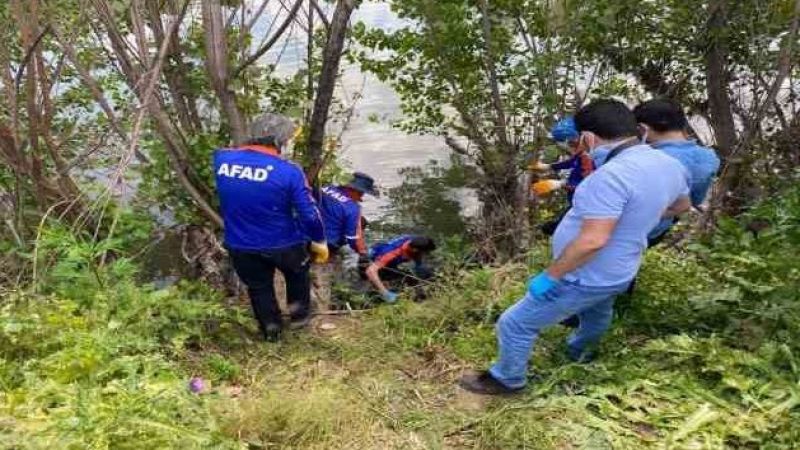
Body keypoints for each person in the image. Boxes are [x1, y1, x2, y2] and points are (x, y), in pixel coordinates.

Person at [458, 100, 691, 395]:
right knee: (597, 312)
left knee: (515, 323)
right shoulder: (669, 164)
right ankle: (580, 352)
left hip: (585, 274)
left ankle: (507, 379)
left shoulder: (609, 177)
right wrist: (638, 215)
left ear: (588, 138)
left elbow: (592, 241)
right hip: (620, 271)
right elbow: (683, 204)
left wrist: (551, 276)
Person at [214, 114, 328, 342]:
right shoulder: (289, 171)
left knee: (259, 288)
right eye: (287, 139)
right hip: (283, 243)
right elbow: (309, 213)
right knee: (297, 276)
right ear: (279, 142)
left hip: (240, 245)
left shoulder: (221, 160)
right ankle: (299, 321)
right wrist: (319, 240)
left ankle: (271, 332)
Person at [634, 98, 721, 246]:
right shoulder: (710, 158)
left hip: (636, 229)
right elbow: (696, 199)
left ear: (642, 129)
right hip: (661, 228)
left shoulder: (649, 159)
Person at [313, 173, 378, 308]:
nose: (361, 197)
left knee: (312, 269)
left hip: (306, 236)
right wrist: (362, 254)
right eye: (361, 193)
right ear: (353, 189)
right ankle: (323, 307)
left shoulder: (326, 189)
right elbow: (352, 239)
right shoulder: (351, 208)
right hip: (326, 246)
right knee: (323, 275)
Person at [530, 116, 594, 235]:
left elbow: (588, 184)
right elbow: (569, 163)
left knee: (562, 225)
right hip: (575, 200)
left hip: (583, 203)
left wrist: (561, 184)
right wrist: (548, 166)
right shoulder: (580, 155)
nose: (569, 145)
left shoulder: (588, 158)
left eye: (570, 141)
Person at [363, 235, 437, 303]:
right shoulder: (392, 254)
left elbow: (418, 254)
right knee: (380, 282)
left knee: (412, 278)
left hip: (387, 253)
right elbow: (370, 271)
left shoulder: (413, 240)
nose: (426, 255)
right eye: (426, 253)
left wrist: (419, 265)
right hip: (376, 258)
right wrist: (385, 292)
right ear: (415, 250)